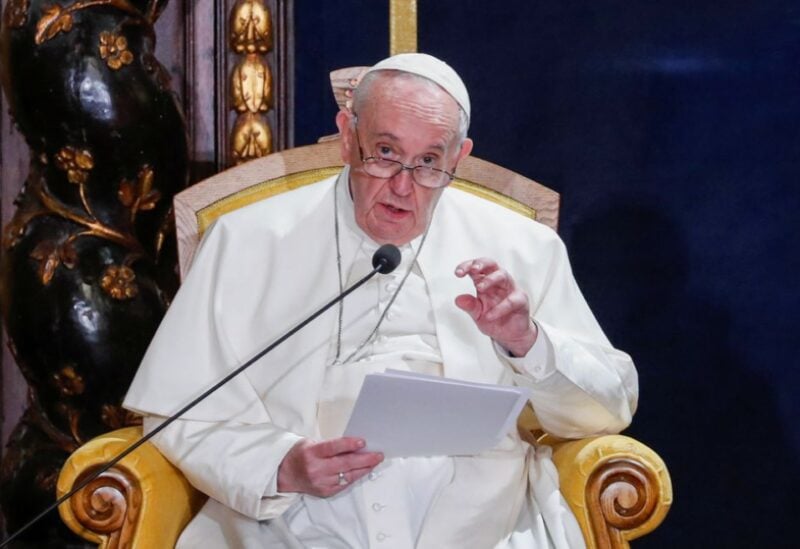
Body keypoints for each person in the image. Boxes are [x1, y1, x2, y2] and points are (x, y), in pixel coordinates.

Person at [124, 53, 638, 548]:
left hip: (481, 520)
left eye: (430, 162)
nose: (402, 187)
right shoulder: (247, 240)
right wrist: (281, 465)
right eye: (386, 153)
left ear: (460, 158)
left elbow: (607, 409)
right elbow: (180, 413)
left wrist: (526, 343)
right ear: (348, 138)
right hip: (294, 521)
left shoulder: (522, 247)